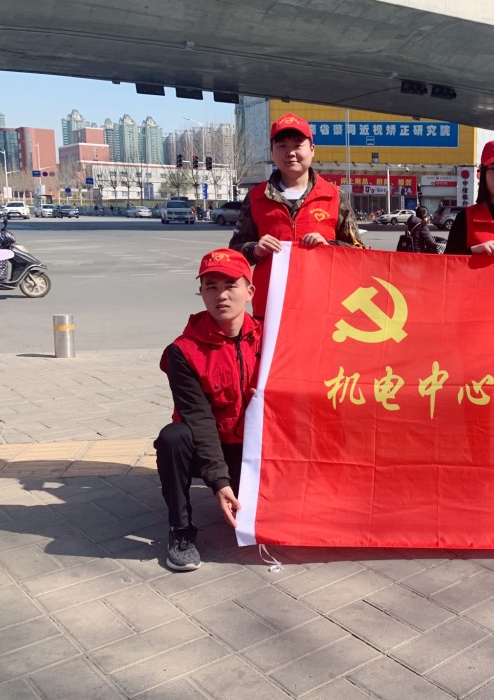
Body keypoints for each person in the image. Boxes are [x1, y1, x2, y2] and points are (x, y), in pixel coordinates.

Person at [154, 248, 261, 571]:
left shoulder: (272, 339)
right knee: (173, 438)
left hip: (254, 448)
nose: (221, 296)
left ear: (249, 291)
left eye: (230, 286)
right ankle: (181, 529)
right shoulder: (183, 351)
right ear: (201, 293)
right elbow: (199, 420)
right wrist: (218, 481)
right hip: (206, 447)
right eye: (211, 287)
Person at [229, 113, 364, 318]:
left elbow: (359, 253)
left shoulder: (335, 196)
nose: (290, 153)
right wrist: (256, 249)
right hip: (271, 308)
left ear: (312, 149)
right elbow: (235, 253)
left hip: (322, 307)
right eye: (282, 146)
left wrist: (329, 247)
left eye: (297, 145)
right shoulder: (256, 197)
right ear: (272, 151)